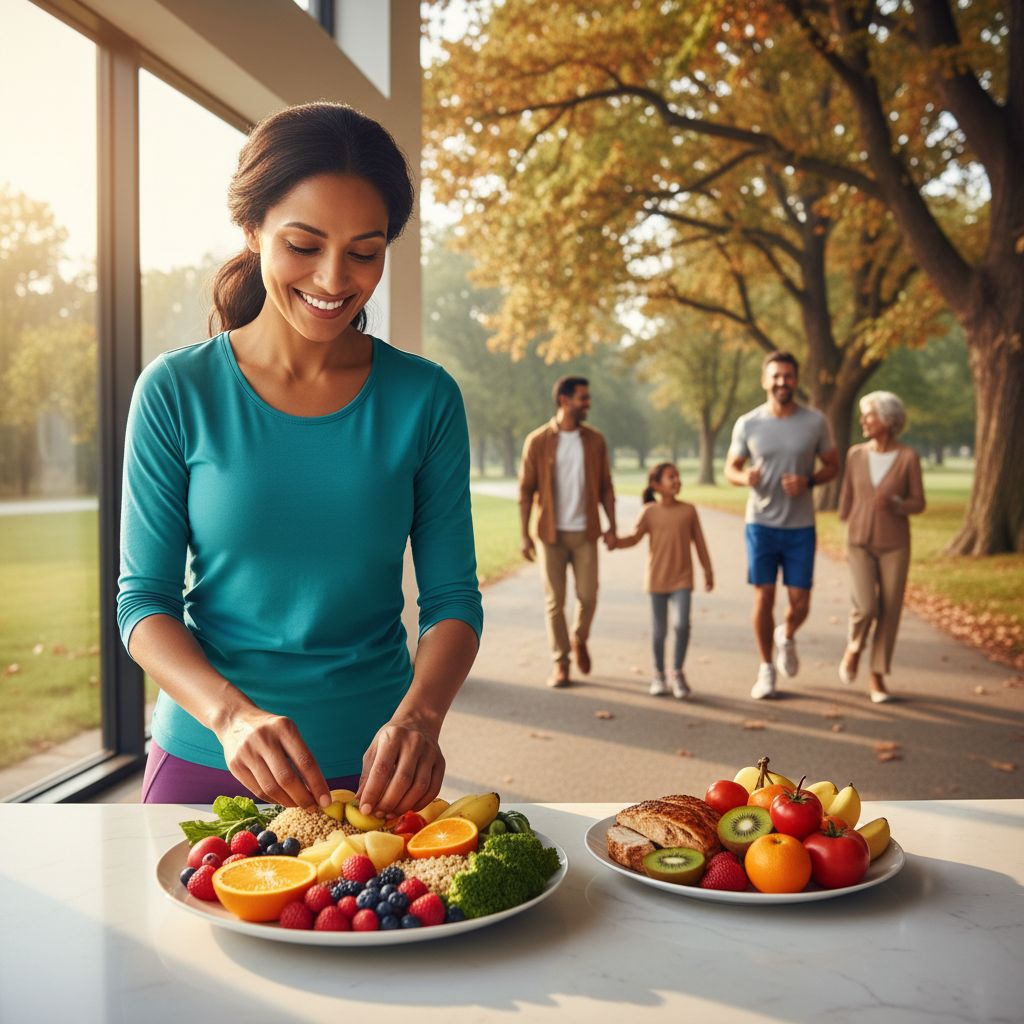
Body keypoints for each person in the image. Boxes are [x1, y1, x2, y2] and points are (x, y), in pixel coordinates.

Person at [117, 103, 482, 817]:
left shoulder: (425, 399)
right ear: (252, 231)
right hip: (206, 765)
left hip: (376, 775)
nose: (334, 278)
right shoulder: (176, 390)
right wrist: (231, 718)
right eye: (304, 244)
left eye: (364, 251)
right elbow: (143, 604)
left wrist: (422, 718)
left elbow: (451, 603)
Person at [725, 351, 839, 699]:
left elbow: (833, 465)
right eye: (775, 376)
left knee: (800, 599)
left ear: (796, 379)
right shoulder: (748, 423)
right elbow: (730, 469)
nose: (781, 382)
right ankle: (766, 669)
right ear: (764, 380)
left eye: (788, 376)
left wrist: (809, 481)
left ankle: (786, 634)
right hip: (760, 523)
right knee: (764, 595)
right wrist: (746, 477)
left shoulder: (815, 422)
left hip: (800, 525)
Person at [518, 376, 617, 688]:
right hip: (550, 535)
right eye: (583, 398)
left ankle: (579, 638)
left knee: (588, 596)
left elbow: (606, 488)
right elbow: (525, 491)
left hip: (586, 531)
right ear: (564, 400)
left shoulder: (595, 440)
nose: (588, 404)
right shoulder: (538, 441)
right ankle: (561, 662)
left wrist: (613, 526)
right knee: (555, 602)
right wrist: (523, 534)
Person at [838, 391, 925, 703]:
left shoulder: (908, 457)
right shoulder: (855, 455)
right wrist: (843, 521)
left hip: (895, 545)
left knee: (889, 611)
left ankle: (876, 676)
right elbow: (847, 495)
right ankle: (853, 648)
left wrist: (897, 503)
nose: (864, 420)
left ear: (888, 420)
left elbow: (919, 502)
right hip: (859, 541)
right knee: (865, 606)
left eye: (870, 415)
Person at [615, 462, 714, 699]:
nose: (677, 480)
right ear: (656, 485)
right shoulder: (649, 512)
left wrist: (707, 570)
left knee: (681, 625)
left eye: (678, 476)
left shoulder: (688, 511)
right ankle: (659, 674)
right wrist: (616, 542)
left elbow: (699, 543)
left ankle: (677, 672)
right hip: (657, 579)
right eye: (671, 477)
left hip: (682, 578)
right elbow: (634, 537)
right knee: (659, 631)